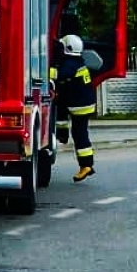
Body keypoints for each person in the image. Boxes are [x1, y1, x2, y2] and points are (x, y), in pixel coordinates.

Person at [56, 34, 98, 182]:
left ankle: (86, 166)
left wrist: (41, 70)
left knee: (79, 134)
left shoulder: (70, 64)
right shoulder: (78, 61)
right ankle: (63, 134)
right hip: (84, 103)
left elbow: (59, 75)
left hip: (79, 104)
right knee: (79, 131)